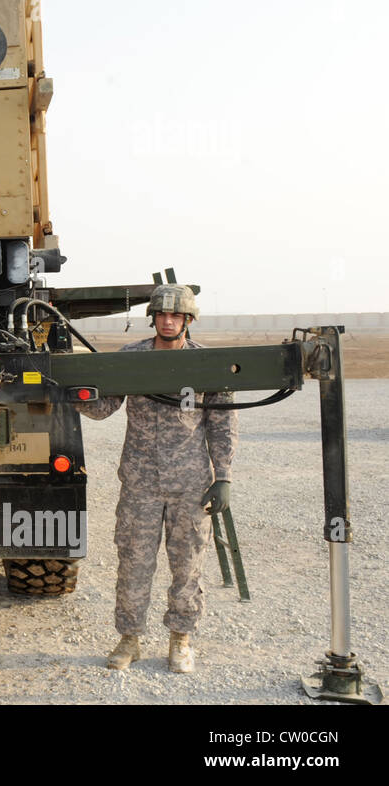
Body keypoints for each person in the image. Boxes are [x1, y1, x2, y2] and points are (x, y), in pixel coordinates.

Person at [77, 284, 238, 673]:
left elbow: (222, 423)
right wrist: (77, 391)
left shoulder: (205, 364)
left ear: (187, 320)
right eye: (162, 315)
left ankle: (181, 640)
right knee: (133, 563)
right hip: (140, 482)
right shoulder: (132, 358)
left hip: (190, 483)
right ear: (153, 319)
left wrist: (224, 476)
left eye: (176, 316)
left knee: (187, 566)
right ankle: (129, 639)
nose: (168, 321)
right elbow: (104, 408)